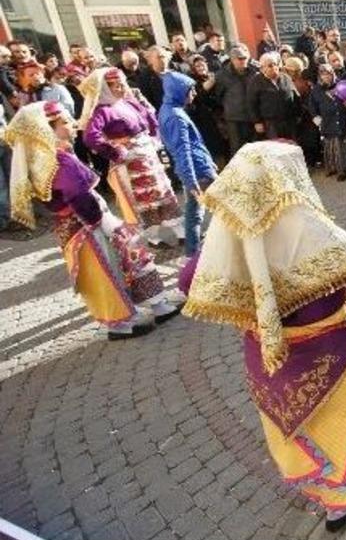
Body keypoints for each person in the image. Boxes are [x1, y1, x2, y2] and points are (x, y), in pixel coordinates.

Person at [178, 141, 346, 531]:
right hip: (330, 354)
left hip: (267, 359)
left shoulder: (228, 234)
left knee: (297, 429)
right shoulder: (312, 231)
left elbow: (190, 281)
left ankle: (317, 489)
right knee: (342, 426)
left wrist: (249, 311)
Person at [5, 102, 179, 339]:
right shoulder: (57, 161)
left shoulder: (47, 159)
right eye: (65, 122)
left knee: (123, 261)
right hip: (86, 226)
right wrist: (98, 221)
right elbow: (77, 194)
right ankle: (123, 323)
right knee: (109, 269)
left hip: (79, 224)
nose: (73, 124)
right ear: (48, 129)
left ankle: (145, 309)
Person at [79, 67, 183, 246]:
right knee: (146, 200)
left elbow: (148, 117)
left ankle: (180, 232)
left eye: (122, 85)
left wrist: (154, 137)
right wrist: (117, 151)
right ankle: (154, 237)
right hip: (131, 162)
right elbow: (90, 137)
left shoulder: (128, 102)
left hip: (148, 156)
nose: (121, 89)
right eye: (116, 86)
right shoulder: (102, 111)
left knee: (163, 193)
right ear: (105, 88)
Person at [158, 71, 218, 255]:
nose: (194, 94)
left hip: (195, 169)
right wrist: (191, 180)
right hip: (199, 171)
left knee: (194, 212)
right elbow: (184, 150)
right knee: (227, 208)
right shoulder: (176, 116)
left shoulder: (168, 110)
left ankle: (192, 252)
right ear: (179, 92)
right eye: (190, 90)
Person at [308, 65, 346, 181]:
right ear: (320, 76)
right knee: (336, 149)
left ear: (333, 73)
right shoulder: (316, 91)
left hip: (345, 121)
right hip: (329, 123)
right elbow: (312, 108)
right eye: (323, 74)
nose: (327, 76)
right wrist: (318, 121)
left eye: (329, 73)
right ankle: (341, 171)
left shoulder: (343, 85)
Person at [247, 52, 299, 140]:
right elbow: (251, 103)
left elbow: (295, 95)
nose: (274, 67)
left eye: (275, 64)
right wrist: (257, 122)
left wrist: (298, 114)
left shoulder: (285, 78)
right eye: (270, 65)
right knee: (276, 147)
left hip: (288, 120)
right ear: (263, 69)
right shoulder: (256, 81)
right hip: (270, 123)